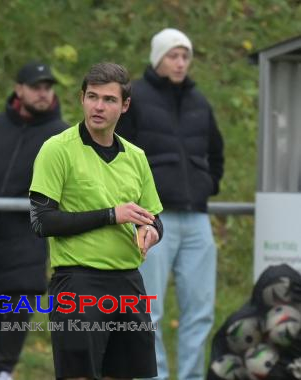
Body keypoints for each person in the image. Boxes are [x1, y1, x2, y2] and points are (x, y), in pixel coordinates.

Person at [29, 62, 164, 380]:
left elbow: (154, 218)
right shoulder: (57, 149)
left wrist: (151, 231)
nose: (99, 106)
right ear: (82, 98)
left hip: (128, 282)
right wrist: (110, 215)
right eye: (93, 97)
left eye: (109, 99)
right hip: (78, 283)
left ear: (125, 105)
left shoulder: (136, 157)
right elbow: (41, 221)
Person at [115, 28, 224, 380]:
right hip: (153, 219)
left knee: (201, 310)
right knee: (150, 310)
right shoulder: (136, 98)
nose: (180, 63)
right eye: (173, 56)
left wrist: (208, 184)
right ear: (157, 58)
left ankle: (192, 376)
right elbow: (118, 155)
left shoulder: (199, 101)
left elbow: (216, 151)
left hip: (197, 219)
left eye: (185, 56)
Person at [0, 61, 68, 380]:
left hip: (24, 243)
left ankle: (4, 371)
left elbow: (64, 185)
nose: (43, 93)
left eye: (47, 88)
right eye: (36, 87)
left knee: (15, 314)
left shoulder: (61, 136)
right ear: (19, 89)